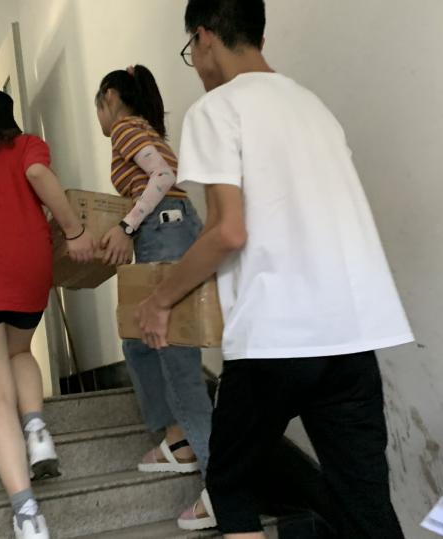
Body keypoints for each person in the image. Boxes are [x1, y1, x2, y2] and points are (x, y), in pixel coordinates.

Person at [136, 1, 414, 537]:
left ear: (204, 37)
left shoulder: (217, 109)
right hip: (354, 336)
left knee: (231, 481)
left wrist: (160, 299)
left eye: (191, 48)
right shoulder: (314, 108)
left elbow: (227, 231)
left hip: (276, 338)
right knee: (365, 507)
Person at [0, 88, 95, 539]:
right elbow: (37, 173)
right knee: (20, 351)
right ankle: (38, 431)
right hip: (25, 264)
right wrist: (74, 230)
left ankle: (28, 515)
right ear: (9, 122)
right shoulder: (27, 144)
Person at [94, 66, 213, 488]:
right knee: (138, 340)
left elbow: (163, 177)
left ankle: (217, 476)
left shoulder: (125, 128)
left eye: (98, 107)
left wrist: (126, 226)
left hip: (163, 230)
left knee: (173, 349)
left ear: (110, 97)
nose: (100, 118)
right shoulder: (144, 129)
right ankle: (178, 438)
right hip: (166, 230)